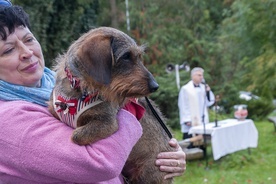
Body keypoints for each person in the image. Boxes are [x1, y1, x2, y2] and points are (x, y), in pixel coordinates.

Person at [0, 3, 186, 184]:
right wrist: (129, 105)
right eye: (8, 50)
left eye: (28, 39)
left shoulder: (54, 89)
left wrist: (166, 157)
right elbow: (101, 164)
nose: (27, 52)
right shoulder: (8, 121)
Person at [178, 67, 215, 148]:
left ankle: (202, 151)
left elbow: (210, 102)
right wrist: (186, 119)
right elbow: (183, 104)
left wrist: (208, 91)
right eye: (199, 75)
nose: (201, 77)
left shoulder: (203, 87)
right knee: (190, 137)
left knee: (202, 135)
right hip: (191, 118)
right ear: (193, 76)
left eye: (202, 75)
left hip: (202, 117)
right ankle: (190, 153)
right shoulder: (186, 89)